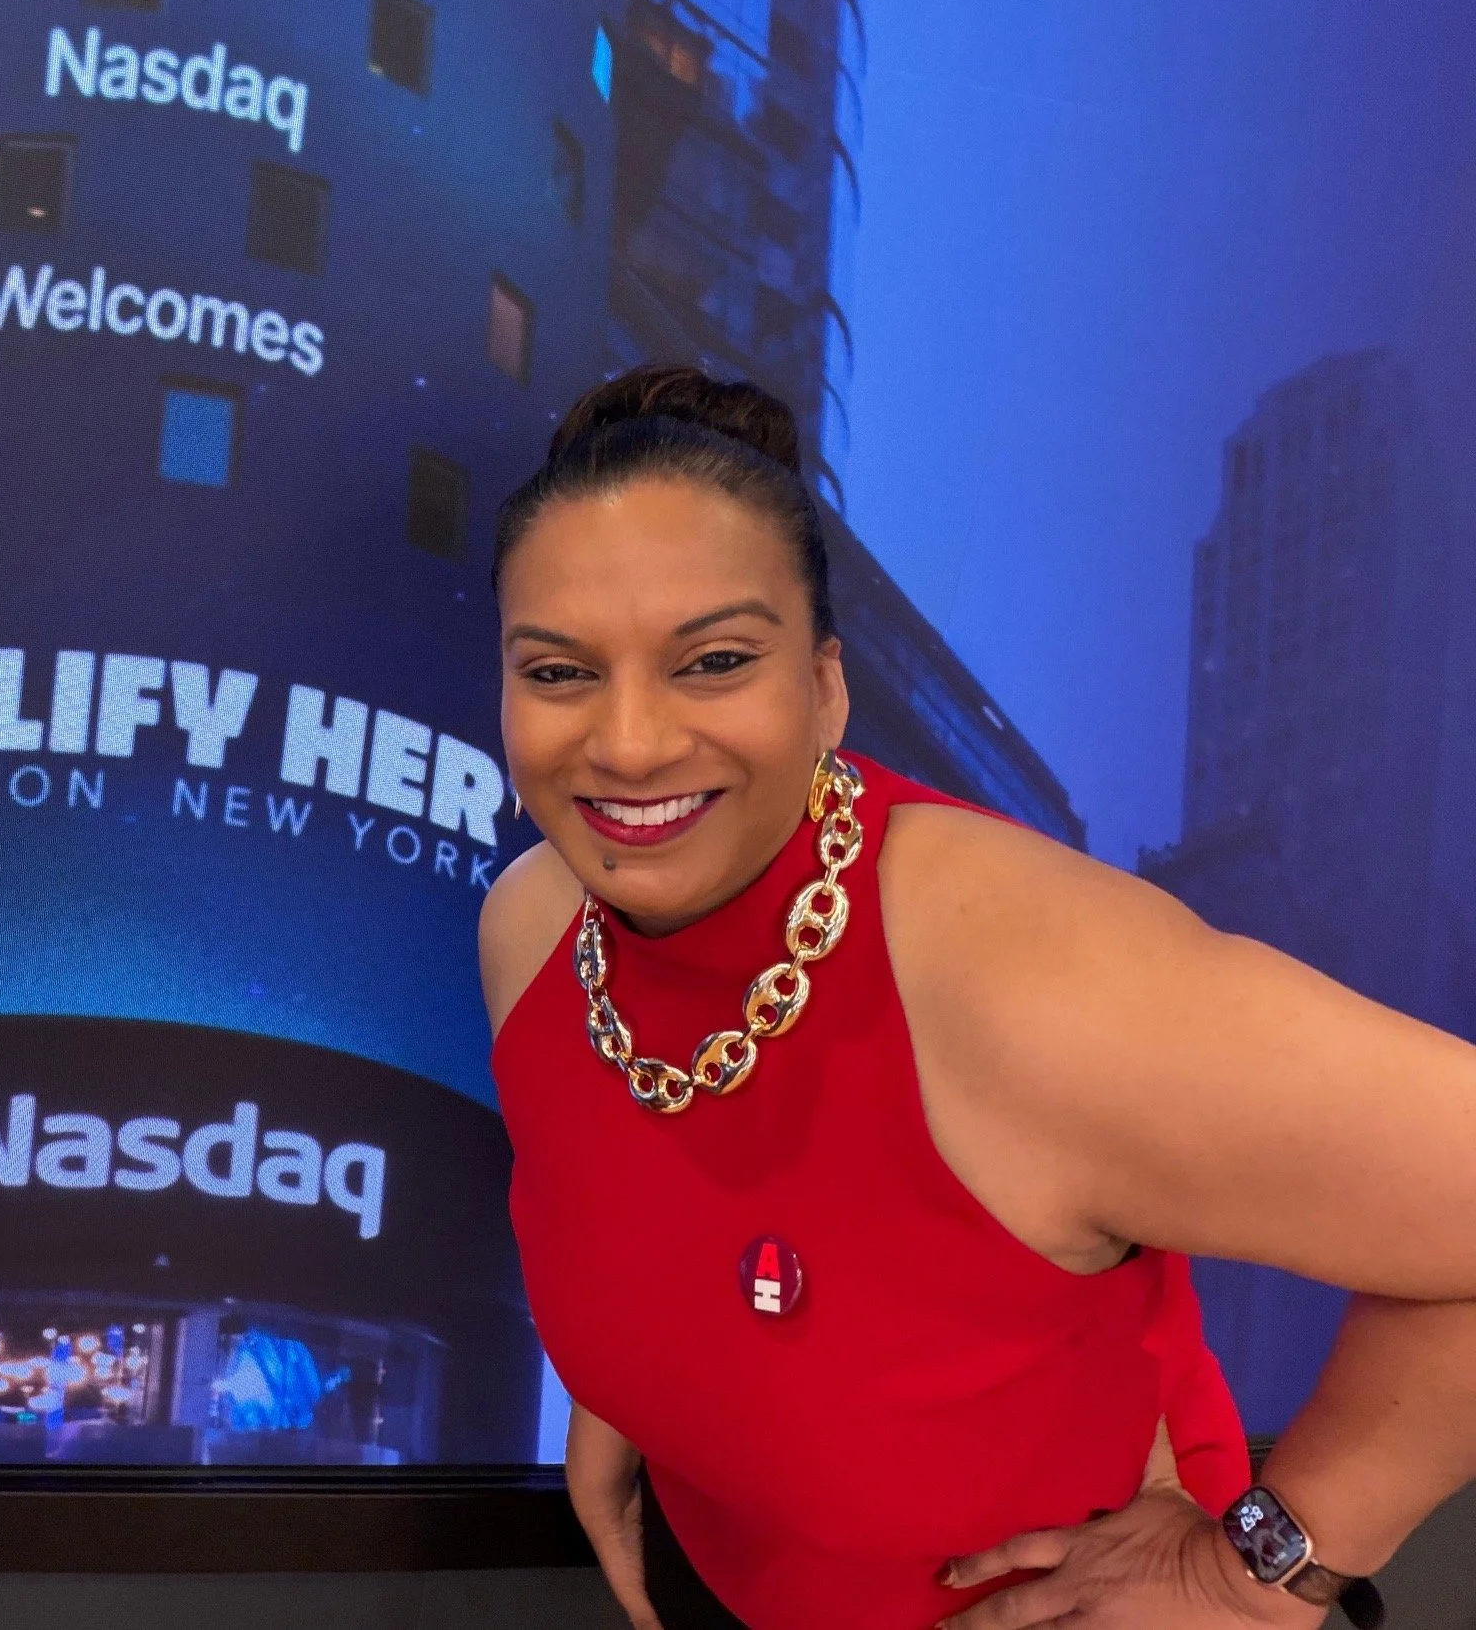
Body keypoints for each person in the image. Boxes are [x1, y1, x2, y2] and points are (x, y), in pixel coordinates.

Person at [479, 366, 1476, 1630]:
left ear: (825, 689)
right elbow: (651, 1214)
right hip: (711, 1585)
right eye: (561, 672)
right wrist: (625, 1386)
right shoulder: (533, 925)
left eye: (714, 660)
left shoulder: (1020, 978)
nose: (627, 744)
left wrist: (1263, 1574)